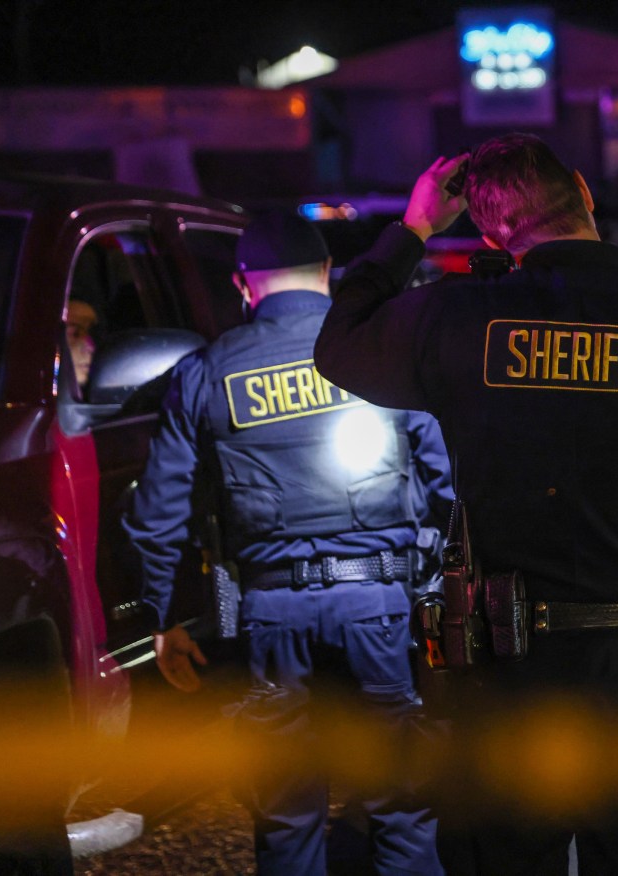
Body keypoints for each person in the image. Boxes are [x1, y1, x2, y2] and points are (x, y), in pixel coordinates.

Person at [314, 134, 618, 876]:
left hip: (508, 675)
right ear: (582, 188)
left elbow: (340, 343)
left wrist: (411, 229)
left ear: (488, 233)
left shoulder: (460, 318)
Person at [123, 210, 453, 876]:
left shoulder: (206, 372)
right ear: (327, 274)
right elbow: (447, 479)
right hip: (380, 608)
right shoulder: (376, 351)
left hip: (273, 616)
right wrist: (440, 584)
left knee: (288, 807)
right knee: (402, 798)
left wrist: (163, 620)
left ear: (245, 286)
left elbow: (159, 511)